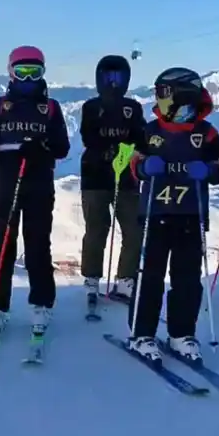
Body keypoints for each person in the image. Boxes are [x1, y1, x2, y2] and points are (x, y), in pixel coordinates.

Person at [124, 68, 219, 363]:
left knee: (187, 278)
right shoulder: (151, 131)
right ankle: (141, 333)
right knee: (149, 277)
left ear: (183, 96)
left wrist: (209, 170)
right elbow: (135, 164)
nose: (160, 100)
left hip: (190, 215)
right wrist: (145, 168)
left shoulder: (206, 133)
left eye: (164, 94)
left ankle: (181, 334)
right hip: (155, 215)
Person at [0, 46, 70, 338]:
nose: (28, 78)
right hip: (6, 180)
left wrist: (42, 147)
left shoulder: (50, 108)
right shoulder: (0, 106)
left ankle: (41, 304)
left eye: (34, 72)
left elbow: (62, 147)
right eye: (21, 71)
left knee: (37, 244)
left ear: (42, 73)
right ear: (10, 72)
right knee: (3, 244)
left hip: (38, 180)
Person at [78, 54, 147, 310]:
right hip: (95, 175)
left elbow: (141, 138)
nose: (113, 83)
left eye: (118, 77)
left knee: (133, 229)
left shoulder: (134, 107)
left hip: (126, 177)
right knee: (96, 228)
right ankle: (92, 278)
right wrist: (107, 150)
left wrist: (132, 153)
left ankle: (126, 279)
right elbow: (88, 136)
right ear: (99, 78)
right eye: (108, 77)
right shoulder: (90, 107)